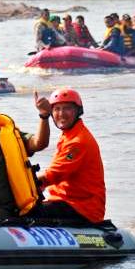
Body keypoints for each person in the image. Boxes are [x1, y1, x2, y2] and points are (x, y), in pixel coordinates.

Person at [29, 88, 105, 223]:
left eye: (67, 109)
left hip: (81, 208)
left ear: (77, 111)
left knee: (26, 213)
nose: (61, 114)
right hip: (66, 202)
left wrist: (25, 181)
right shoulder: (70, 134)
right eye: (57, 109)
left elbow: (53, 175)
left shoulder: (78, 142)